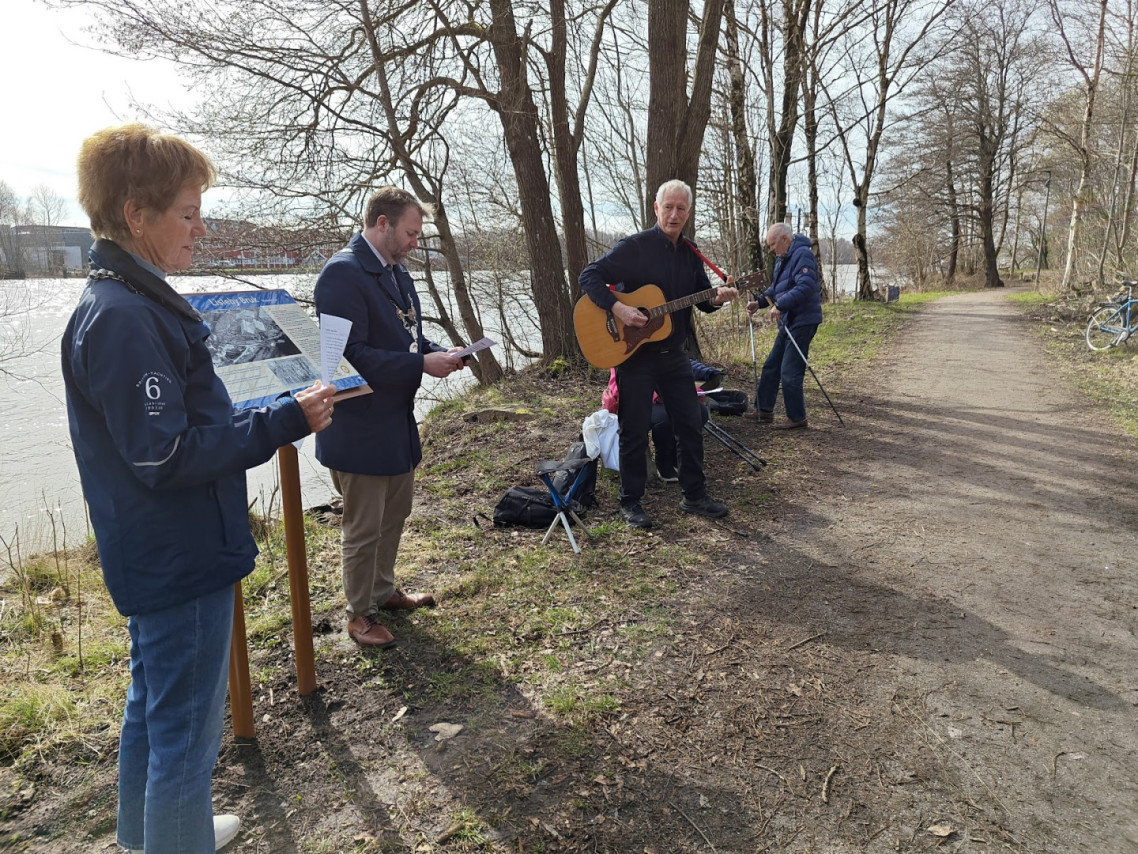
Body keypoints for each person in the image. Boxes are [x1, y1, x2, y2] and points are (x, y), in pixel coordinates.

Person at [62, 124, 336, 853]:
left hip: (160, 552)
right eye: (188, 213)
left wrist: (260, 417)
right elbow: (165, 456)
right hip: (176, 557)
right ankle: (173, 837)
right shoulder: (123, 318)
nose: (201, 228)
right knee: (186, 731)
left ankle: (148, 835)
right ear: (136, 215)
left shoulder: (127, 302)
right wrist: (281, 420)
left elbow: (169, 434)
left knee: (154, 707)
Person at [314, 187, 466, 648]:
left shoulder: (396, 272)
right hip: (359, 425)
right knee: (362, 526)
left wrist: (442, 353)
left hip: (395, 419)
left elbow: (407, 339)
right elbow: (347, 358)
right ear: (382, 224)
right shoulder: (342, 275)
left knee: (395, 512)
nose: (415, 243)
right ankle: (358, 613)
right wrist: (420, 365)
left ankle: (382, 590)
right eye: (410, 233)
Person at [579, 179, 737, 529]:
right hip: (634, 357)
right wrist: (619, 309)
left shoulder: (692, 253)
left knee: (690, 421)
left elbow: (702, 300)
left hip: (673, 354)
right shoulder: (635, 247)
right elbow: (589, 275)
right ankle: (630, 502)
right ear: (656, 208)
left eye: (682, 208)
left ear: (688, 212)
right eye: (669, 206)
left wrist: (717, 299)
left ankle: (694, 495)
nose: (674, 214)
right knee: (633, 430)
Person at [745, 222, 823, 429]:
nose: (771, 250)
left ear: (785, 240)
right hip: (788, 321)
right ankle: (764, 409)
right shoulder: (783, 258)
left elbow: (806, 286)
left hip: (803, 320)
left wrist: (780, 305)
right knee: (771, 366)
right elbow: (776, 288)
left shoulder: (802, 255)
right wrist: (759, 303)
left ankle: (797, 418)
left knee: (790, 372)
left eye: (772, 245)